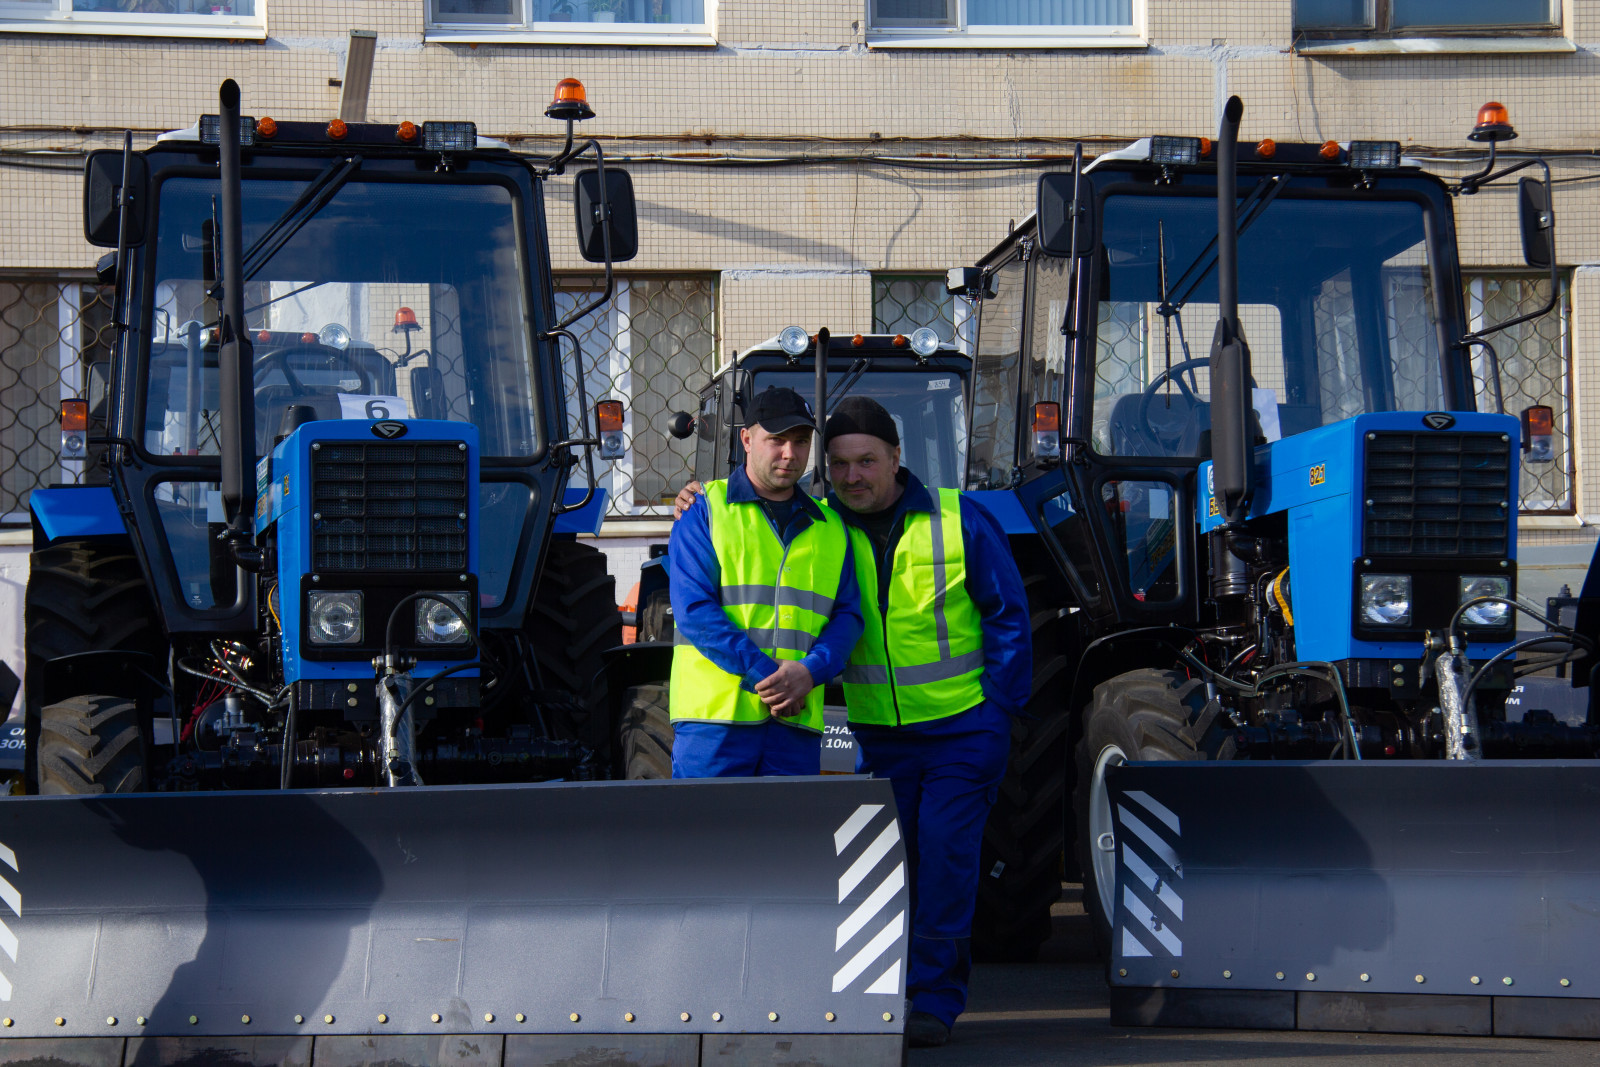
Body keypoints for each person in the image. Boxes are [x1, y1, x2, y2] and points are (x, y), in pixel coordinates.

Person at [675, 396, 1031, 1048]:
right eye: (838, 464)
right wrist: (701, 495)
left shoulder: (960, 520)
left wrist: (998, 709)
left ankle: (933, 999)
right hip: (854, 727)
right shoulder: (819, 525)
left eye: (866, 460)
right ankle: (873, 989)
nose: (852, 475)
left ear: (896, 457)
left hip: (960, 727)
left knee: (945, 850)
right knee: (871, 863)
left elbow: (1008, 614)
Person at [666, 386, 863, 778]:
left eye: (801, 441)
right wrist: (770, 678)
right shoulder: (705, 509)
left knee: (791, 840)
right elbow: (694, 610)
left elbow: (849, 617)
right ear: (746, 440)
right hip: (715, 723)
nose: (790, 454)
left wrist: (810, 672)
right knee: (706, 840)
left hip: (795, 724)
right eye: (777, 439)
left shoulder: (833, 526)